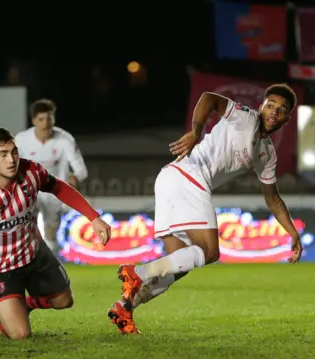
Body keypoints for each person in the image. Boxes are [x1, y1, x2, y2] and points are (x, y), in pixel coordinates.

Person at [108, 84, 304, 334]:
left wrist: (293, 232)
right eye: (271, 105)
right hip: (187, 175)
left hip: (172, 179)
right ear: (262, 106)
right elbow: (209, 98)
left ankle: (125, 306)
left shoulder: (266, 153)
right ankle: (136, 272)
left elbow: (273, 198)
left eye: (281, 109)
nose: (274, 111)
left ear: (287, 118)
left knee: (178, 265)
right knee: (209, 252)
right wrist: (195, 132)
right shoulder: (246, 118)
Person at [0, 127, 111, 340]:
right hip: (2, 268)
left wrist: (93, 217)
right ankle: (11, 311)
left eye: (14, 152)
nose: (11, 160)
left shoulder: (31, 172)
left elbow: (59, 188)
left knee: (64, 301)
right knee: (20, 334)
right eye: (3, 154)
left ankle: (24, 305)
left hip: (34, 254)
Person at [14, 99, 88, 252]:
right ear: (34, 121)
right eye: (41, 119)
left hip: (54, 191)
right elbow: (7, 160)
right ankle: (26, 260)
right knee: (26, 224)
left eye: (49, 118)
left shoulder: (64, 139)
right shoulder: (21, 140)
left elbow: (81, 170)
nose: (46, 124)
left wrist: (75, 177)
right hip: (30, 190)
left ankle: (51, 264)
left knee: (51, 231)